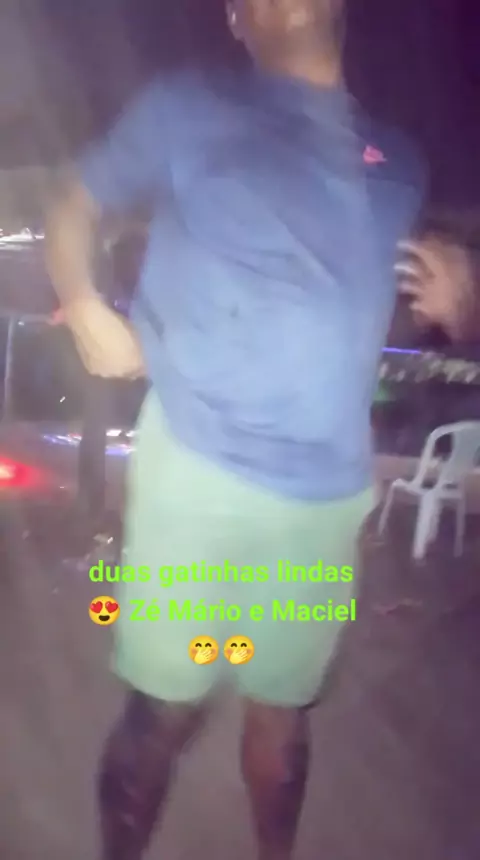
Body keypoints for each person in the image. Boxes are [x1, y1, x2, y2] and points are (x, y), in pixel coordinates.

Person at [45, 1, 424, 858]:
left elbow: (388, 296)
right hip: (197, 469)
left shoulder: (399, 160)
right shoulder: (191, 105)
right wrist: (84, 304)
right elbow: (72, 199)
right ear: (236, 19)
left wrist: (460, 295)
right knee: (165, 710)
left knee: (282, 714)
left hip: (325, 498)